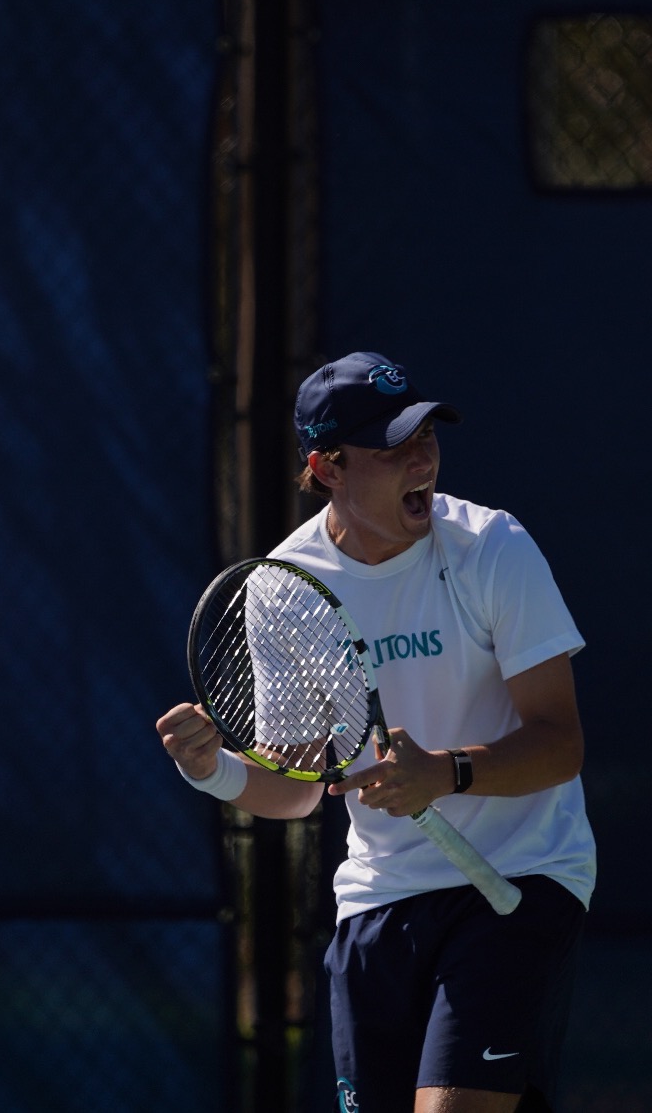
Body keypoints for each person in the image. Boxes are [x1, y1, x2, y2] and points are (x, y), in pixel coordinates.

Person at [157, 351, 595, 1113]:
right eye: (392, 449)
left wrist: (447, 772)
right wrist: (215, 770)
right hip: (379, 903)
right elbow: (296, 788)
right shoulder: (284, 587)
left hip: (519, 878)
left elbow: (560, 743)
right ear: (327, 468)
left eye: (425, 436)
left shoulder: (493, 548)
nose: (421, 457)